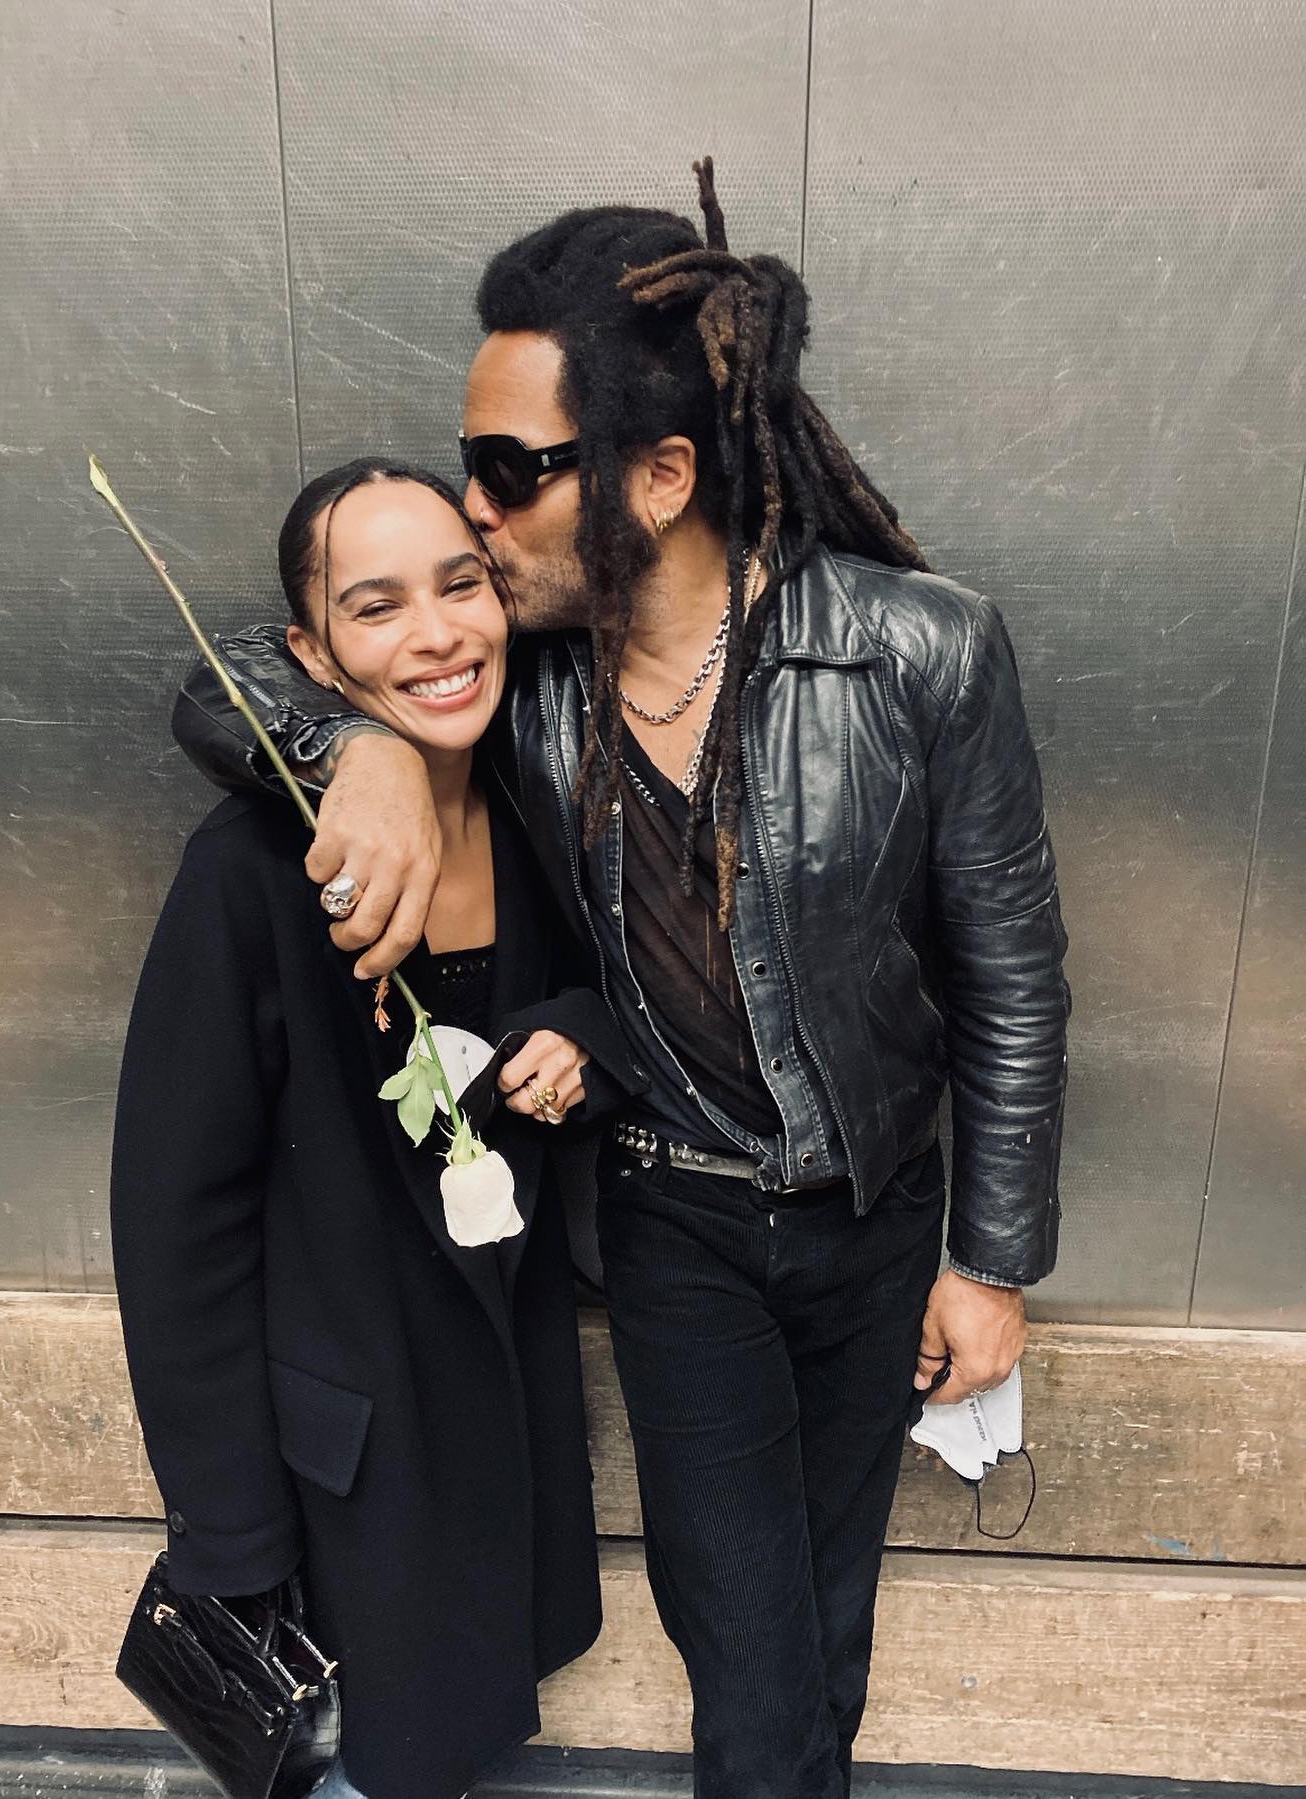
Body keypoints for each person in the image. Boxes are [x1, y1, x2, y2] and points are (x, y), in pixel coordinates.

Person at [171, 164, 1071, 1798]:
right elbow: (223, 667)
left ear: (659, 474)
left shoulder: (921, 650)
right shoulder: (519, 691)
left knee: (827, 1611)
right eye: (471, 471)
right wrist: (354, 745)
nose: (476, 517)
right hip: (673, 1221)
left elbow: (1012, 971)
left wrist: (993, 1262)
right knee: (742, 1625)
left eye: (511, 477)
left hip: (878, 1220)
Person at [111, 459, 645, 1799]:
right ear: (310, 653)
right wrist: (229, 1536)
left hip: (495, 1439)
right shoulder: (250, 879)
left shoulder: (533, 819)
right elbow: (178, 1228)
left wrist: (581, 1031)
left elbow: (608, 988)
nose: (438, 634)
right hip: (338, 1484)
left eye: (462, 586)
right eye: (376, 606)